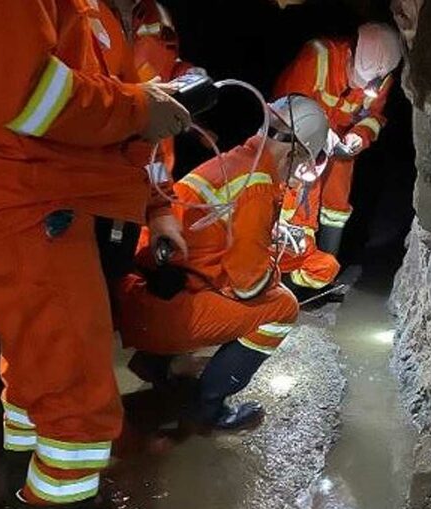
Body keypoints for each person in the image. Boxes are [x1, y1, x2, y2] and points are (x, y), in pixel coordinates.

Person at [0, 1, 192, 509]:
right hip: (20, 203)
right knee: (78, 404)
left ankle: (25, 483)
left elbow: (116, 125)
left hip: (58, 203)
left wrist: (158, 206)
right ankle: (57, 500)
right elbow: (33, 96)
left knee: (43, 379)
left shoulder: (98, 10)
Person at [116, 95, 330, 430]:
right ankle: (209, 407)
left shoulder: (235, 161)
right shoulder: (257, 185)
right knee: (282, 309)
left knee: (213, 278)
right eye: (303, 157)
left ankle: (154, 364)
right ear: (296, 150)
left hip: (142, 288)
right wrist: (273, 263)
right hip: (157, 309)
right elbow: (249, 285)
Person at [274, 22, 402, 267]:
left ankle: (324, 268)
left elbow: (374, 118)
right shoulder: (319, 57)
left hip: (339, 144)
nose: (358, 86)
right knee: (300, 196)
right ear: (350, 52)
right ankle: (291, 268)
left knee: (337, 197)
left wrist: (358, 136)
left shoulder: (382, 79)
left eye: (366, 84)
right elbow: (288, 108)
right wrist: (321, 135)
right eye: (356, 76)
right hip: (298, 142)